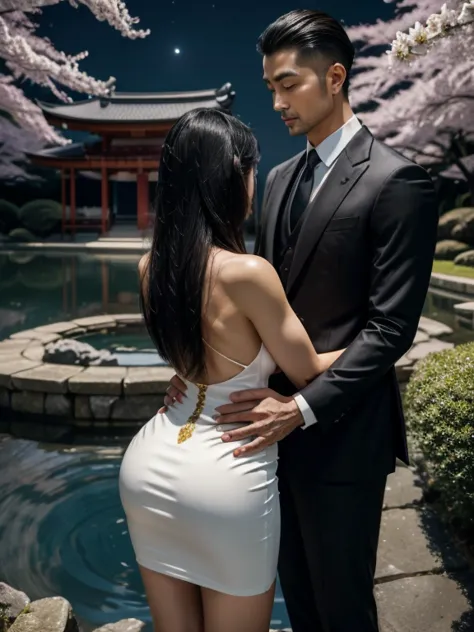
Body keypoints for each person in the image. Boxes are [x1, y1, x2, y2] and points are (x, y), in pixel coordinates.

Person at [162, 9, 439, 632]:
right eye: (270, 89)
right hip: (261, 440)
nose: (278, 101)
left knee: (343, 609)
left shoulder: (399, 183)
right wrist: (195, 369)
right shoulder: (281, 178)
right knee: (299, 602)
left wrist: (301, 408)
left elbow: (391, 329)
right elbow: (256, 308)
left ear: (335, 77)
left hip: (341, 435)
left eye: (288, 84)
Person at [118, 107, 344, 632]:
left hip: (149, 465)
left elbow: (190, 365)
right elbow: (308, 370)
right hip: (227, 472)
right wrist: (382, 340)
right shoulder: (246, 273)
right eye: (250, 172)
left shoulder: (150, 267)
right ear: (230, 178)